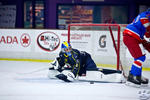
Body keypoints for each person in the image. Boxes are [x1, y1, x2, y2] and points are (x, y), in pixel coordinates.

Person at [123, 8, 150, 86]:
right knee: (140, 58)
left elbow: (143, 36)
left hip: (132, 37)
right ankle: (132, 77)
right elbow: (144, 20)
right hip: (131, 37)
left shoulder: (142, 18)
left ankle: (137, 76)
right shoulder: (146, 15)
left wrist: (146, 44)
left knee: (138, 58)